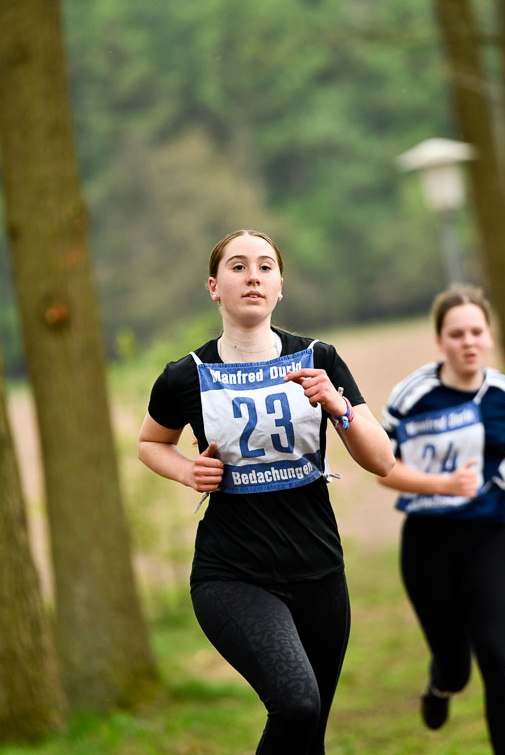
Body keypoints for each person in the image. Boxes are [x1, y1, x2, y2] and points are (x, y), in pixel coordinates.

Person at [138, 229, 395, 754]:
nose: (251, 276)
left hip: (320, 570)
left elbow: (382, 459)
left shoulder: (320, 358)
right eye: (237, 267)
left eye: (264, 267)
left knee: (309, 733)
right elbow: (149, 443)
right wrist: (188, 471)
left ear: (280, 287)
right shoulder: (186, 375)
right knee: (297, 702)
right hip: (233, 574)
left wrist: (338, 406)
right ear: (214, 286)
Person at [378, 285, 505, 755]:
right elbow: (383, 470)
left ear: (489, 337)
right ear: (441, 342)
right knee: (456, 666)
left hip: (491, 536)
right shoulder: (412, 396)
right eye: (457, 334)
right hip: (429, 542)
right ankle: (440, 687)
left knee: (502, 661)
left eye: (477, 331)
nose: (468, 342)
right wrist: (442, 486)